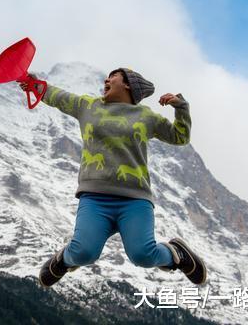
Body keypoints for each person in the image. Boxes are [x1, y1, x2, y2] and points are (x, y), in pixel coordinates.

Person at [20, 68, 207, 287]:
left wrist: (181, 107)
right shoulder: (88, 106)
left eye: (113, 77)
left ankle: (178, 254)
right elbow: (58, 97)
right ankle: (63, 260)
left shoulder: (145, 116)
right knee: (83, 252)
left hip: (135, 200)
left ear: (128, 85)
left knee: (143, 255)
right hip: (95, 199)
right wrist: (34, 84)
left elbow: (180, 136)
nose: (106, 80)